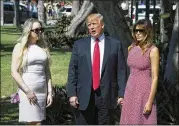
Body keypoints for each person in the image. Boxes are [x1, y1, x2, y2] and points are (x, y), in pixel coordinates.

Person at [66, 13, 127, 125]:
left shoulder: (115, 44)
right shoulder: (79, 45)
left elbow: (121, 71)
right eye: (89, 25)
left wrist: (121, 94)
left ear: (102, 25)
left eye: (94, 24)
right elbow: (72, 71)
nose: (91, 27)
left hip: (107, 95)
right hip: (83, 95)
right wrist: (72, 93)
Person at [11, 18, 53, 125]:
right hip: (28, 91)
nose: (39, 32)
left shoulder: (43, 47)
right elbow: (14, 72)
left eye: (41, 29)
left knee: (38, 122)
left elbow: (47, 71)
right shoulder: (20, 47)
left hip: (42, 91)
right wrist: (27, 91)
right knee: (33, 122)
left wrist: (50, 92)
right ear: (28, 31)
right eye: (36, 30)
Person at [120, 19, 159, 124]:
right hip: (130, 90)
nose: (137, 33)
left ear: (148, 32)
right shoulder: (131, 48)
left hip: (144, 92)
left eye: (141, 31)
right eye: (136, 30)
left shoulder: (153, 50)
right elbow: (131, 72)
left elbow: (155, 78)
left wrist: (150, 101)